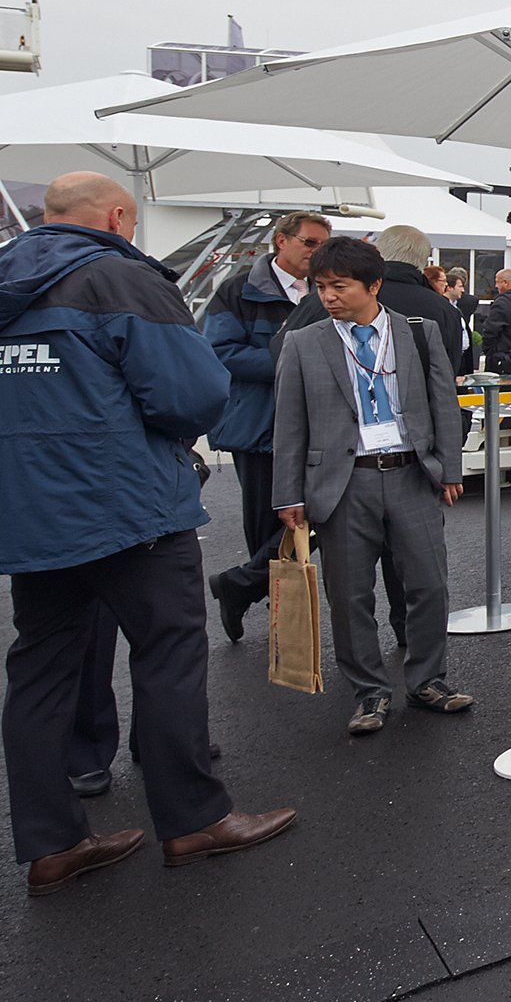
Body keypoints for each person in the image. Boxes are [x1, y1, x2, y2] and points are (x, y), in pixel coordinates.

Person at [1, 172, 296, 894]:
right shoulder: (118, 277)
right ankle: (193, 817)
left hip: (29, 512)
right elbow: (193, 391)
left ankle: (50, 842)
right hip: (126, 502)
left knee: (39, 673)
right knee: (167, 654)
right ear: (117, 215)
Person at [273, 237, 469, 735]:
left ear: (374, 285)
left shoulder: (418, 335)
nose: (329, 297)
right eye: (321, 287)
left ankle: (428, 679)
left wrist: (449, 468)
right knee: (350, 593)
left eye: (340, 286)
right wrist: (288, 494)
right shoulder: (304, 343)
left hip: (409, 474)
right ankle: (369, 691)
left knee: (428, 584)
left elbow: (445, 403)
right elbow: (289, 424)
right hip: (342, 483)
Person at [202, 210, 332, 642]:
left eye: (322, 245)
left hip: (320, 427)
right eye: (310, 243)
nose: (317, 253)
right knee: (267, 523)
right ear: (282, 241)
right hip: (260, 425)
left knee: (319, 515)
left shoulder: (327, 290)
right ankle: (277, 617)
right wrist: (292, 360)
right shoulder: (238, 291)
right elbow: (220, 352)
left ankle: (239, 585)